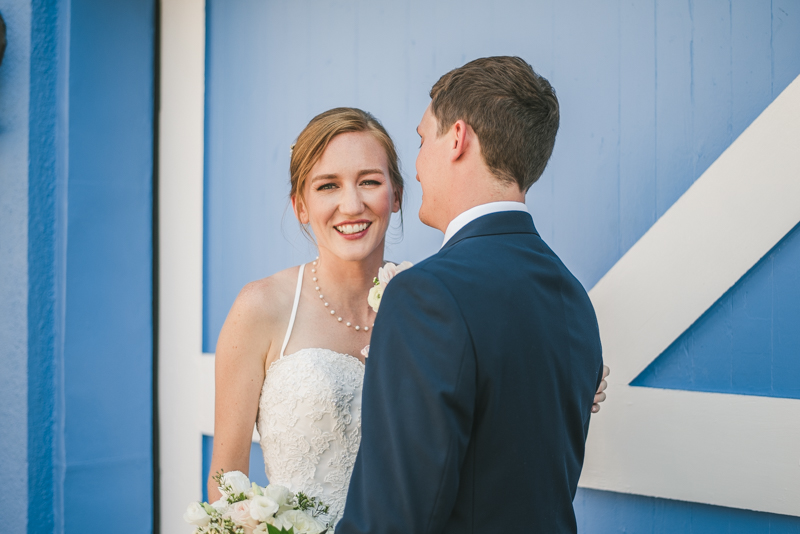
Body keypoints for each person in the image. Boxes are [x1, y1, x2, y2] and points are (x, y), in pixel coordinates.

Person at [208, 105, 608, 526]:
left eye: (369, 181)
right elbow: (226, 485)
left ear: (396, 195)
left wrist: (573, 374)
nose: (351, 204)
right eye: (327, 186)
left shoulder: (434, 301)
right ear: (300, 206)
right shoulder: (261, 308)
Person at [335, 57, 604, 533]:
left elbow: (392, 517)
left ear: (457, 138)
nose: (415, 168)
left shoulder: (426, 295)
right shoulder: (573, 299)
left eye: (422, 140)